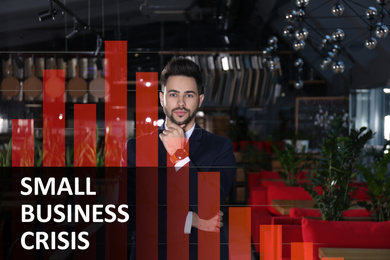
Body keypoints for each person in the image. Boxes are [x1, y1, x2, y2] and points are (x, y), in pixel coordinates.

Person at [123, 57, 236, 259]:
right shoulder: (135, 148)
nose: (181, 103)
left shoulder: (220, 148)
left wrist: (179, 156)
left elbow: (209, 206)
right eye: (173, 94)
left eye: (189, 95)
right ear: (161, 98)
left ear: (200, 100)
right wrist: (191, 219)